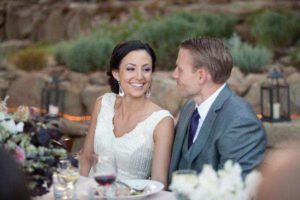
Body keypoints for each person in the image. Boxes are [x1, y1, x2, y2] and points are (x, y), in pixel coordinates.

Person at [169, 37, 266, 181]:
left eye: (180, 69)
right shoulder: (189, 108)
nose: (174, 74)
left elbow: (233, 190)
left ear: (201, 76)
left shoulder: (241, 122)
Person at [80, 40, 174, 188]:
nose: (139, 76)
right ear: (116, 73)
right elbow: (86, 158)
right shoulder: (103, 103)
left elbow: (159, 182)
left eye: (146, 69)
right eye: (131, 69)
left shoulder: (162, 121)